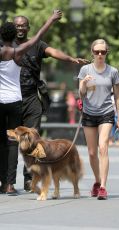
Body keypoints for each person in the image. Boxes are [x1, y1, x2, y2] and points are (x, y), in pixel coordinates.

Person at [12, 15, 89, 192]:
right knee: (9, 141)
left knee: (33, 139)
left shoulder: (36, 44)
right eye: (17, 26)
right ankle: (7, 181)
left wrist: (70, 58)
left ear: (29, 28)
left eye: (24, 26)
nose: (21, 29)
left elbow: (54, 52)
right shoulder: (6, 45)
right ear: (13, 27)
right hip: (11, 98)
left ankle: (29, 178)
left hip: (31, 98)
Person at [0, 10, 62, 195]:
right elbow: (38, 36)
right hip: (15, 101)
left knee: (1, 142)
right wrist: (51, 19)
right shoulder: (18, 52)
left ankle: (4, 181)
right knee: (12, 143)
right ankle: (10, 184)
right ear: (14, 35)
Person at [78, 39, 119, 200]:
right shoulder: (85, 69)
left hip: (106, 113)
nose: (99, 55)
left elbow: (118, 97)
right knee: (91, 152)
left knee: (103, 146)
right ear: (92, 52)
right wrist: (83, 82)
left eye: (103, 52)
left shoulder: (113, 72)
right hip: (89, 113)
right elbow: (81, 94)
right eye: (97, 52)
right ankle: (96, 181)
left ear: (106, 53)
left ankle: (103, 186)